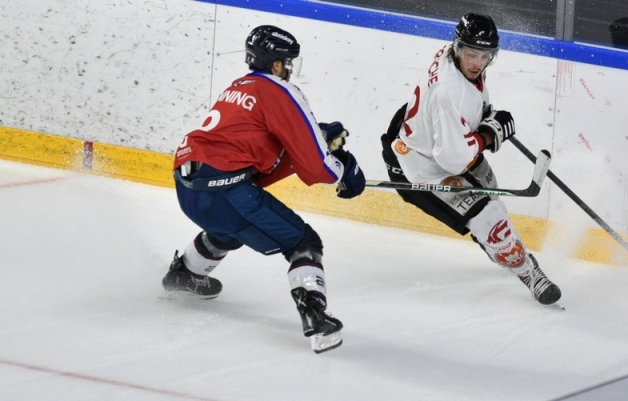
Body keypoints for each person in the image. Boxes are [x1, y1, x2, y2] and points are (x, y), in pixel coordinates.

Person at [162, 25, 365, 353]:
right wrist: (345, 170)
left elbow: (261, 154)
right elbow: (317, 169)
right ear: (276, 64)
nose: (289, 70)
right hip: (226, 192)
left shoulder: (237, 88)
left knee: (230, 229)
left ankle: (185, 273)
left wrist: (318, 136)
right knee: (303, 242)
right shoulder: (281, 90)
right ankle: (315, 315)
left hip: (187, 188)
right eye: (287, 62)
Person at [380, 13, 562, 306]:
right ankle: (528, 271)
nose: (478, 62)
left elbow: (459, 116)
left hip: (434, 142)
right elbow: (452, 159)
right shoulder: (449, 92)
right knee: (489, 218)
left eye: (485, 55)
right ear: (457, 47)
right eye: (472, 54)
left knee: (492, 197)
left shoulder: (455, 60)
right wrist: (489, 135)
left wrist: (486, 117)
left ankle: (500, 246)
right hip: (420, 169)